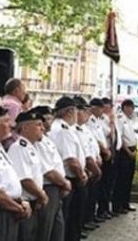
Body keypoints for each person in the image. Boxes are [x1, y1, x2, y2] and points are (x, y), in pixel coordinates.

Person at [0, 106, 32, 241]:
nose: (12, 125)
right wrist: (18, 208)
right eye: (6, 122)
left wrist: (21, 202)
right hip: (2, 211)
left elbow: (9, 183)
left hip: (11, 208)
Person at [49, 97, 87, 241]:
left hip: (67, 178)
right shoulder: (63, 130)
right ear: (70, 111)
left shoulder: (60, 127)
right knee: (71, 219)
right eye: (76, 111)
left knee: (67, 218)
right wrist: (82, 175)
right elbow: (71, 159)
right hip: (71, 178)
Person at [7, 109, 49, 241]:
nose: (43, 128)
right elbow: (25, 179)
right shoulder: (19, 147)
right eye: (38, 125)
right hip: (26, 203)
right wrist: (41, 195)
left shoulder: (32, 147)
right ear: (25, 127)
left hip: (34, 201)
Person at [34, 106, 70, 241]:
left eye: (51, 118)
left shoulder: (47, 139)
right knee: (46, 229)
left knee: (57, 227)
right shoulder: (38, 143)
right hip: (49, 187)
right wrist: (65, 183)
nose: (49, 122)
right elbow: (48, 171)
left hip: (57, 187)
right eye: (46, 119)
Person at [72, 97, 102, 234]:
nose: (87, 114)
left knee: (87, 199)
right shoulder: (74, 130)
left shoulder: (83, 128)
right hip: (82, 171)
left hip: (89, 168)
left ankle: (84, 223)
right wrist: (91, 168)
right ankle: (80, 225)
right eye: (84, 111)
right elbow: (81, 154)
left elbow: (91, 146)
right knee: (77, 206)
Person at [114, 99, 138, 214]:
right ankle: (118, 205)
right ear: (125, 107)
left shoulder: (129, 120)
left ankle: (125, 203)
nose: (133, 110)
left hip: (132, 150)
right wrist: (129, 152)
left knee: (128, 179)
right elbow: (121, 138)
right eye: (131, 107)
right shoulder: (120, 119)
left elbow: (132, 136)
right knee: (121, 180)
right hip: (125, 152)